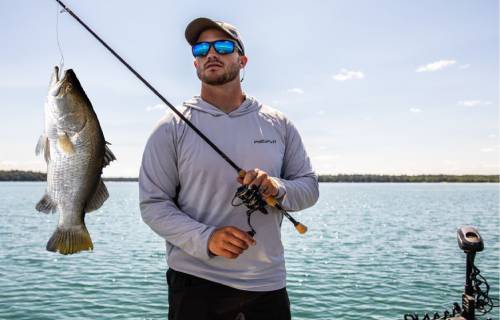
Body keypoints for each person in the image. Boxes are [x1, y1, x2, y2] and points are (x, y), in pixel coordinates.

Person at [139, 17, 319, 320]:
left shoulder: (279, 123)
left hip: (268, 285)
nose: (211, 54)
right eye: (201, 49)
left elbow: (309, 187)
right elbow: (153, 206)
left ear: (242, 59)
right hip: (195, 283)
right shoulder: (170, 127)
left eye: (223, 46)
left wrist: (277, 187)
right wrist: (206, 238)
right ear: (195, 64)